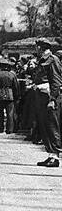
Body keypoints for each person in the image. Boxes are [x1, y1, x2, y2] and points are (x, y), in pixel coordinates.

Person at [30, 38, 61, 169]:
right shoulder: (42, 60)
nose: (35, 49)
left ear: (42, 47)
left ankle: (55, 156)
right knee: (44, 125)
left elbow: (56, 81)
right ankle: (50, 154)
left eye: (37, 46)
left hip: (48, 96)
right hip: (41, 95)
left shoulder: (52, 59)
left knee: (51, 125)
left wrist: (53, 99)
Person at [0, 58, 19, 135]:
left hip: (0, 95)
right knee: (10, 113)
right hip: (10, 95)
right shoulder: (12, 75)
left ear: (1, 66)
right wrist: (16, 96)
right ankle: (9, 129)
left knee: (0, 113)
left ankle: (1, 128)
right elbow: (16, 86)